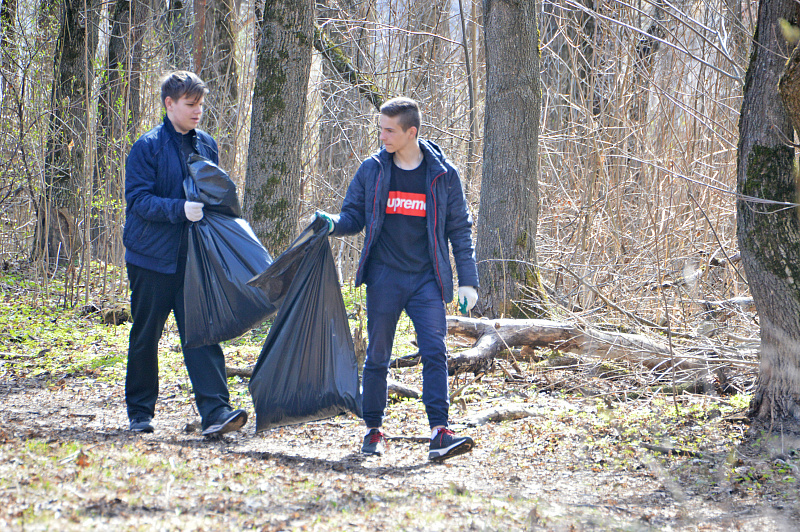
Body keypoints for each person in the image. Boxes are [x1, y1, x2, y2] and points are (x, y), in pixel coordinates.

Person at [314, 97, 479, 461]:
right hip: (385, 276)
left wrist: (468, 281)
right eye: (381, 129)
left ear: (411, 132)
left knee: (435, 352)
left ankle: (440, 432)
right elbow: (353, 216)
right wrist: (332, 224)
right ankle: (373, 430)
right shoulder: (372, 170)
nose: (382, 136)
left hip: (426, 280)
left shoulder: (443, 175)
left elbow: (460, 230)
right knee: (378, 354)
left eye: (389, 130)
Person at [122, 71, 247, 437]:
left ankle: (216, 413)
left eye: (200, 105)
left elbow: (215, 193)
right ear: (169, 104)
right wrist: (180, 209)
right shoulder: (147, 147)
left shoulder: (207, 145)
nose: (198, 112)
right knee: (146, 335)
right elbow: (138, 200)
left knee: (202, 333)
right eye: (190, 105)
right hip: (151, 259)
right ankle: (140, 412)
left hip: (195, 259)